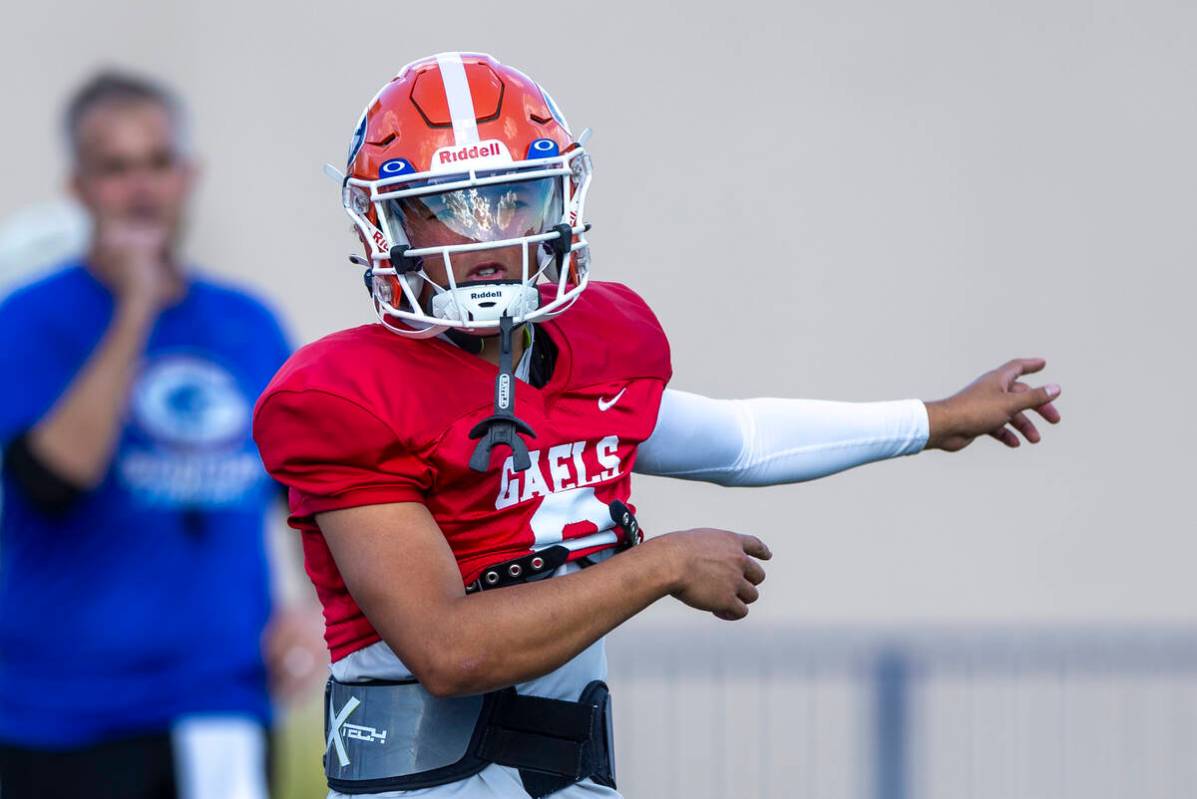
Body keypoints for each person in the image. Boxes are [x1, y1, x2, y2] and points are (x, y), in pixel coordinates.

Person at [252, 52, 1062, 799]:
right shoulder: (343, 395)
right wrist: (662, 563)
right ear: (385, 228)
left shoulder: (595, 348)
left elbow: (739, 439)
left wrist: (936, 420)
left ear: (562, 200)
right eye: (445, 209)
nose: (487, 236)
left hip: (566, 778)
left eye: (511, 200)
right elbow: (449, 648)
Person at [0, 71, 324, 799]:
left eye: (156, 163)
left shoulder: (249, 323)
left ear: (187, 175)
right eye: (115, 169)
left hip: (215, 703)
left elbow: (308, 491)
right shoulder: (27, 321)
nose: (140, 189)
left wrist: (312, 613)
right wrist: (135, 307)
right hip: (54, 715)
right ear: (78, 187)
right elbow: (53, 479)